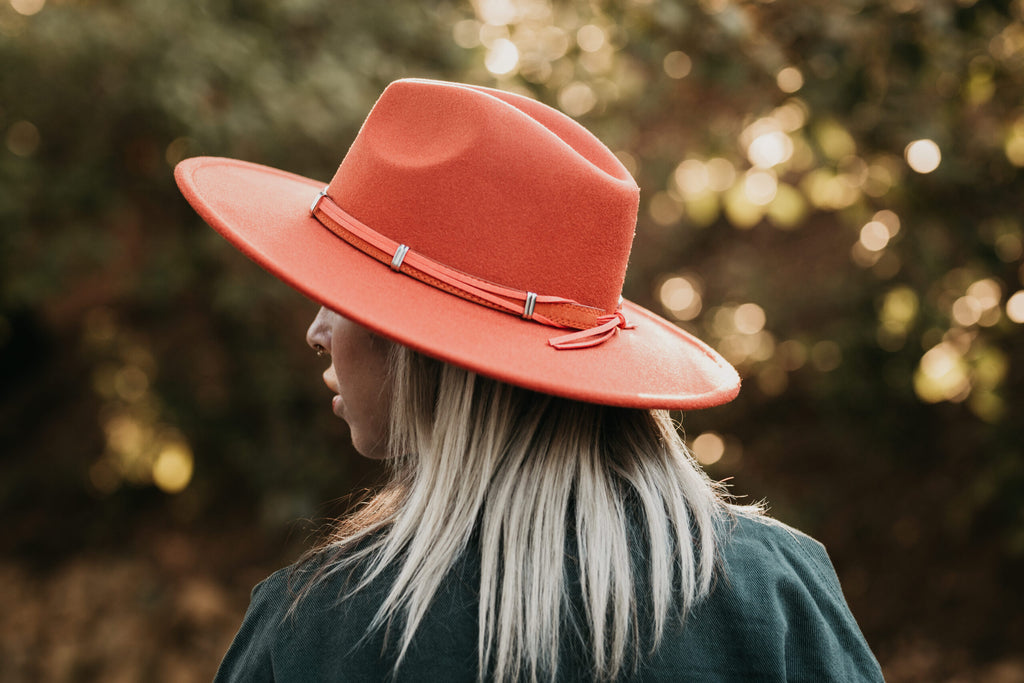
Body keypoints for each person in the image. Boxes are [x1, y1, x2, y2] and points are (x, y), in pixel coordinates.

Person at [176, 78, 883, 682]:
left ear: (421, 347)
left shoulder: (313, 634)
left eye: (344, 294)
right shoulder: (775, 594)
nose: (317, 329)